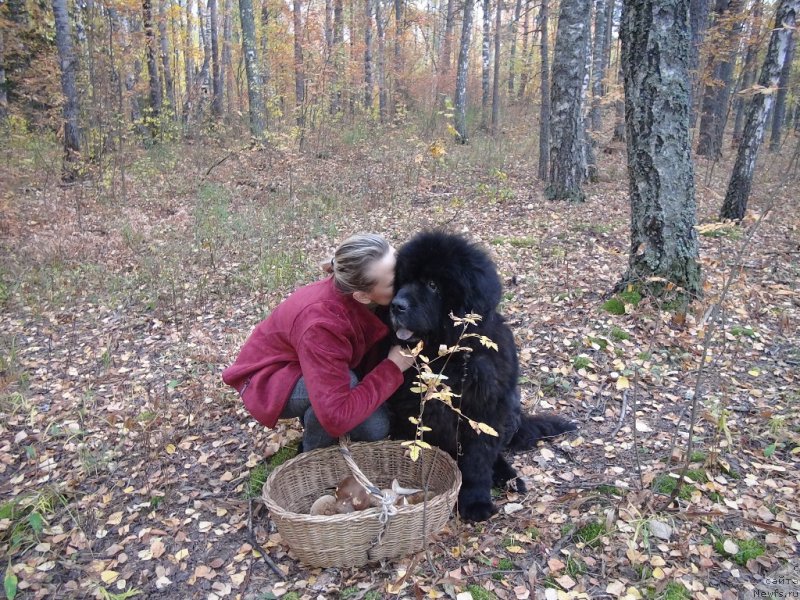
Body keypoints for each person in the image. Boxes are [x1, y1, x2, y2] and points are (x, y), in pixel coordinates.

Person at [222, 233, 416, 451]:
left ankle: (317, 411)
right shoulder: (322, 325)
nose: (405, 283)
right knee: (374, 427)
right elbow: (336, 417)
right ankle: (313, 455)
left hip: (309, 362)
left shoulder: (355, 294)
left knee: (363, 416)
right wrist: (392, 368)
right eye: (394, 282)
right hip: (269, 378)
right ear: (362, 296)